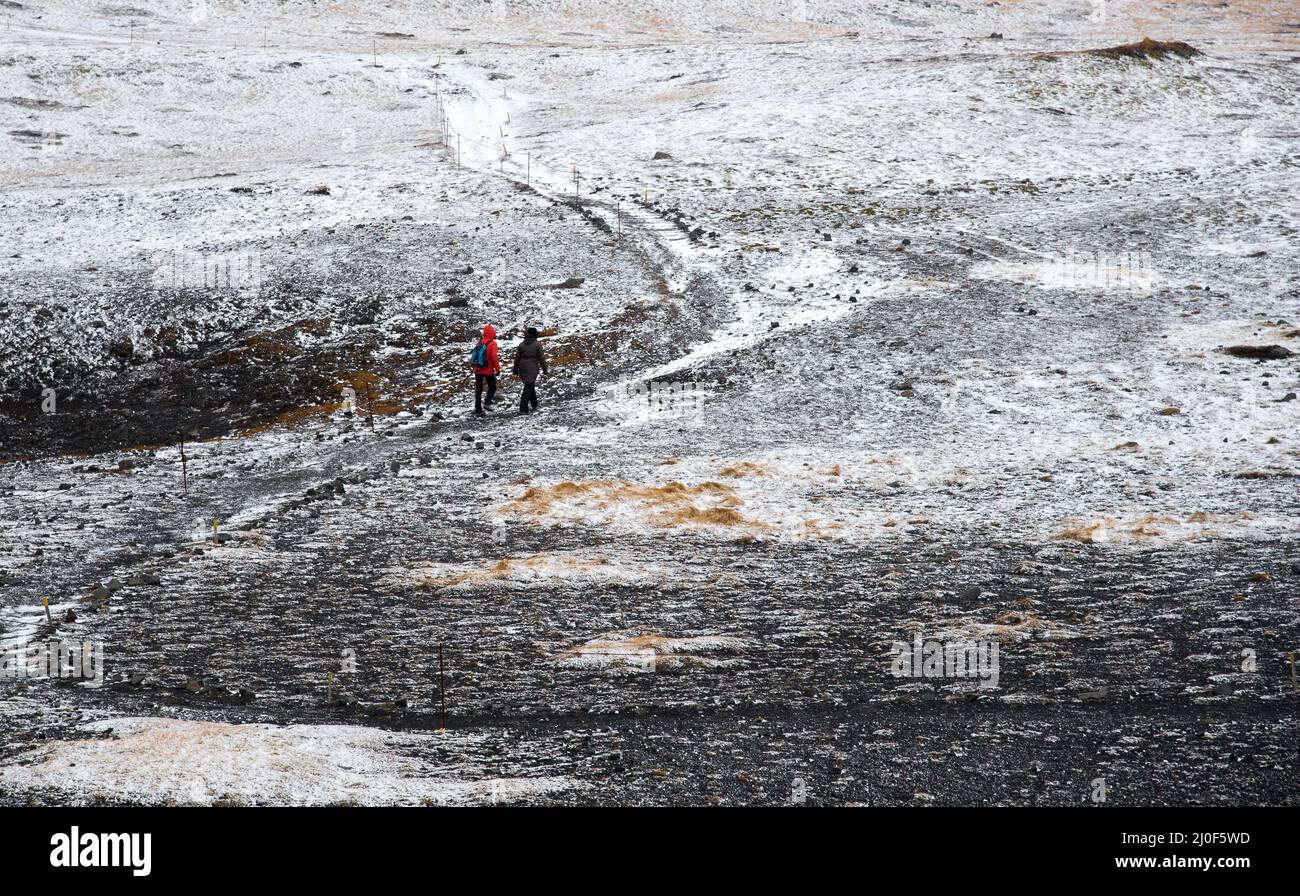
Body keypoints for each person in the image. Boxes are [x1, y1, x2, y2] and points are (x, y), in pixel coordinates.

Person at [511, 326, 548, 415]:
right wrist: (545, 369)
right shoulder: (537, 344)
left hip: (522, 367)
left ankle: (534, 404)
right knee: (528, 387)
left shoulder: (521, 344)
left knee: (529, 385)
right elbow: (541, 359)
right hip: (532, 368)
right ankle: (523, 408)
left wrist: (515, 369)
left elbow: (517, 359)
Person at [471, 324, 500, 417]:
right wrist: (498, 369)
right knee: (492, 387)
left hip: (478, 369)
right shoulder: (492, 343)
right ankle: (487, 403)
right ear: (492, 333)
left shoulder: (480, 342)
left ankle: (478, 410)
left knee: (478, 390)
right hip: (488, 370)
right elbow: (494, 358)